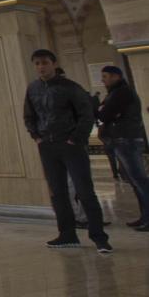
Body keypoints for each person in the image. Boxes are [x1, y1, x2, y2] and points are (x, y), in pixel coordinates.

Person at [23, 49, 112, 253]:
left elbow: (86, 114)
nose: (41, 67)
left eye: (44, 62)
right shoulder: (33, 88)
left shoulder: (70, 87)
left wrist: (75, 139)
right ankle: (67, 235)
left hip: (71, 145)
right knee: (58, 193)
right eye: (37, 63)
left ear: (53, 64)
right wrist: (36, 136)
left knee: (84, 191)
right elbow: (29, 115)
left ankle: (99, 238)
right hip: (47, 145)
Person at [98, 65, 149, 231]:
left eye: (105, 76)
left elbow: (104, 114)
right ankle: (145, 216)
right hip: (123, 138)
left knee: (139, 180)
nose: (103, 80)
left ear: (116, 76)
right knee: (135, 181)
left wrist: (102, 111)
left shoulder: (121, 92)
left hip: (126, 138)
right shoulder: (117, 92)